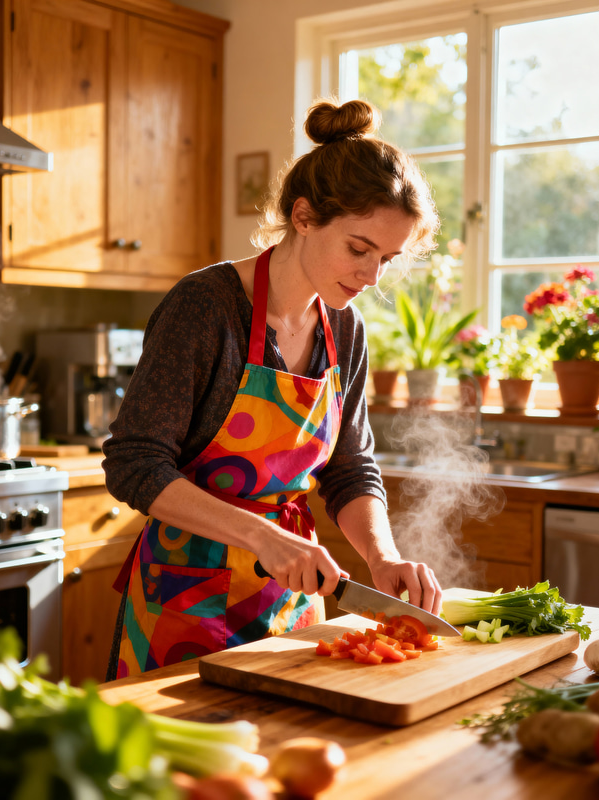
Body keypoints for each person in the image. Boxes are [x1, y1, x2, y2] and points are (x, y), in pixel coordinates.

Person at [102, 97, 442, 678]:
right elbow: (135, 464)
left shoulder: (344, 326)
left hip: (293, 599)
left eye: (387, 258)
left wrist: (382, 558)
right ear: (304, 216)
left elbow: (349, 466)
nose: (371, 276)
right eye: (359, 249)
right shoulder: (205, 307)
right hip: (183, 600)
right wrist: (264, 538)